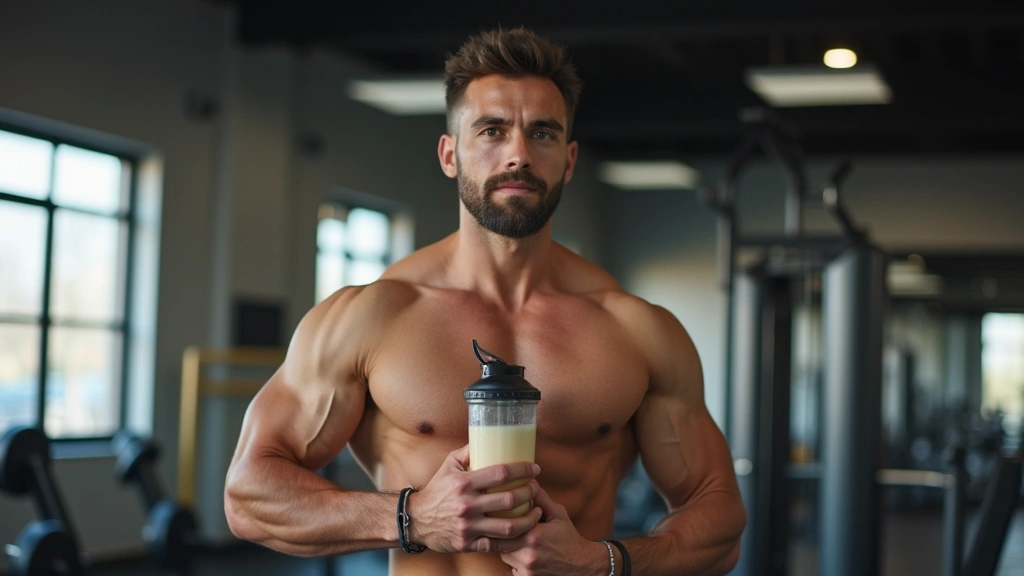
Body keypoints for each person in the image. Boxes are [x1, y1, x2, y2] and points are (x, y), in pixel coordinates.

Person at [225, 26, 745, 576]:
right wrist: (416, 519)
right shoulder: (372, 318)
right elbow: (249, 496)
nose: (518, 154)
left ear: (569, 161)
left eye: (542, 134)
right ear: (450, 154)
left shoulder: (636, 329)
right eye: (492, 131)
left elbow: (719, 520)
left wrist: (601, 562)